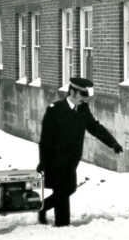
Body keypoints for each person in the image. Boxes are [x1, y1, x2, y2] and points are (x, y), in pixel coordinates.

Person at [37, 77, 123, 227]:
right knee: (63, 194)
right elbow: (45, 141)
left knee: (69, 189)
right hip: (55, 161)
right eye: (82, 95)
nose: (84, 99)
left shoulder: (83, 110)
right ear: (73, 92)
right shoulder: (55, 110)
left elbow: (95, 128)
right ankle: (62, 227)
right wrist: (44, 163)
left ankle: (43, 208)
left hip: (72, 161)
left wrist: (113, 143)